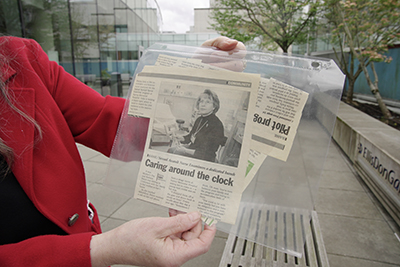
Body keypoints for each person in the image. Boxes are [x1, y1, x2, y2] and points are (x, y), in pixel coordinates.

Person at [0, 35, 245, 266]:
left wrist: (188, 75)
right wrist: (108, 247)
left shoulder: (19, 57)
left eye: (206, 101)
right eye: (200, 100)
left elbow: (108, 121)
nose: (201, 104)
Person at [168, 89, 226, 162]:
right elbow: (191, 137)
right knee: (171, 150)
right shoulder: (199, 119)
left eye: (207, 102)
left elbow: (207, 154)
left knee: (173, 153)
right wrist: (180, 138)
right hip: (193, 150)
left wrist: (185, 150)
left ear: (214, 106)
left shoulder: (217, 125)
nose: (203, 104)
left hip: (203, 159)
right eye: (201, 101)